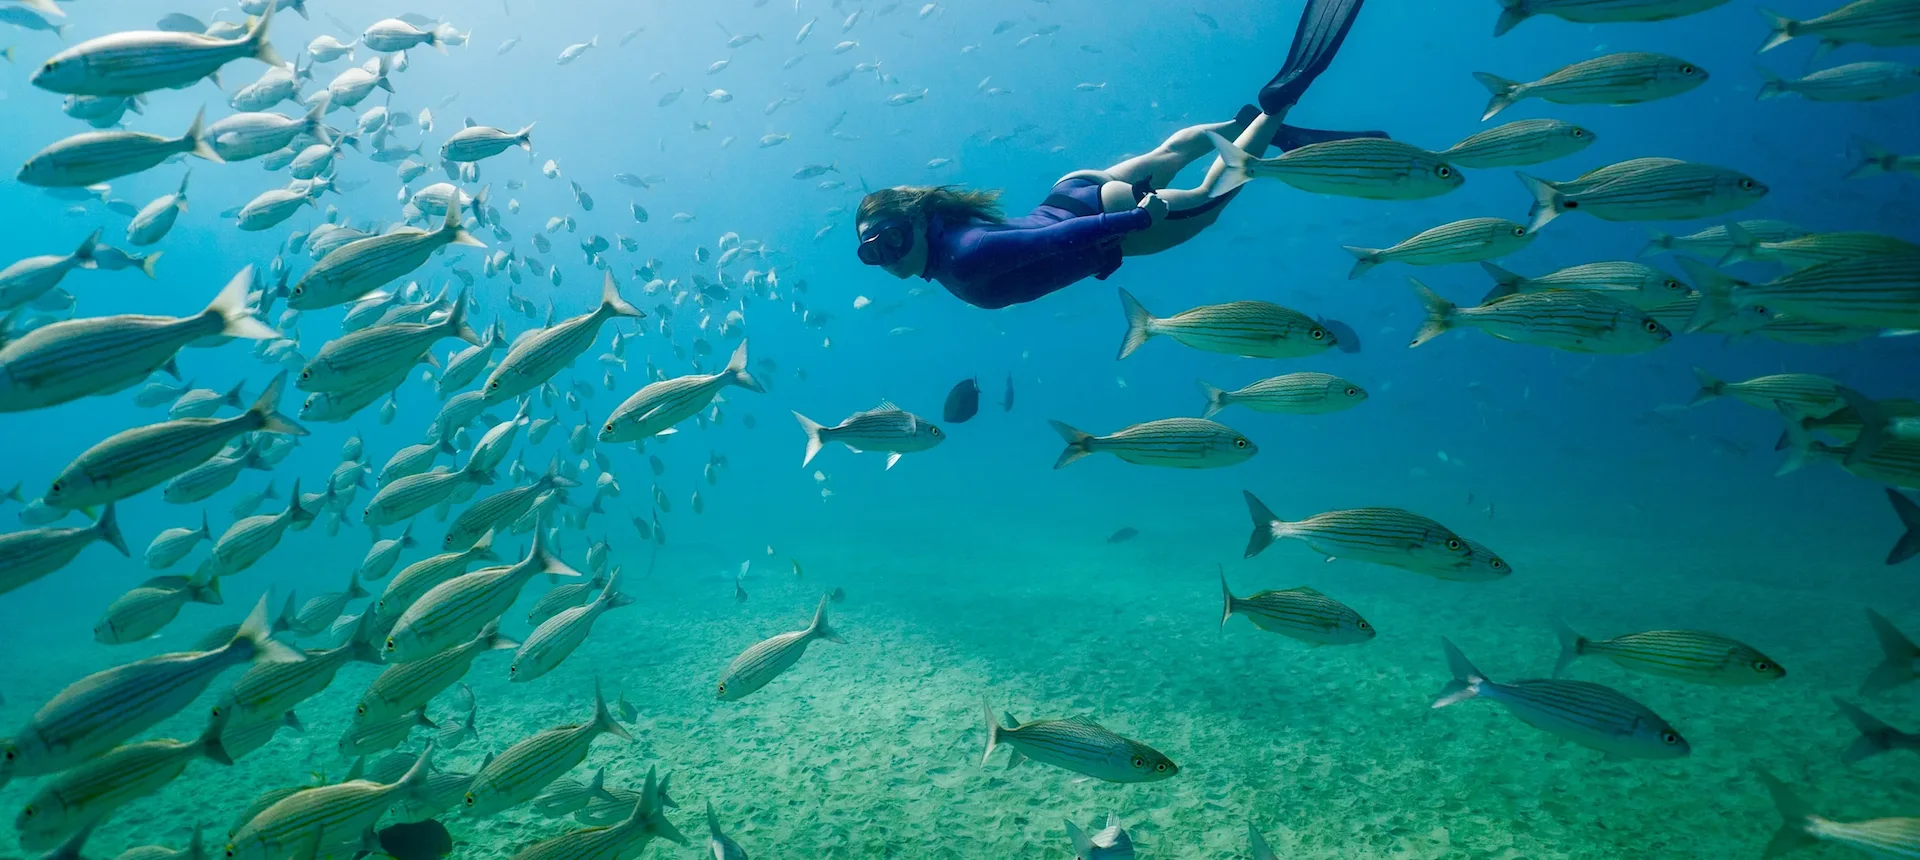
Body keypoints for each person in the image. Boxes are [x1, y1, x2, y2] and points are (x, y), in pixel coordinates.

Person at [854, 0, 1386, 310]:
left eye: (892, 240)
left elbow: (1052, 239)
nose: (888, 257)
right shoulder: (955, 241)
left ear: (921, 222)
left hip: (1104, 221)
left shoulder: (963, 255)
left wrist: (1134, 219)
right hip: (1072, 190)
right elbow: (1044, 230)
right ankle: (1245, 125)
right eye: (872, 252)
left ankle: (1278, 103)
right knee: (1171, 151)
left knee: (1210, 197)